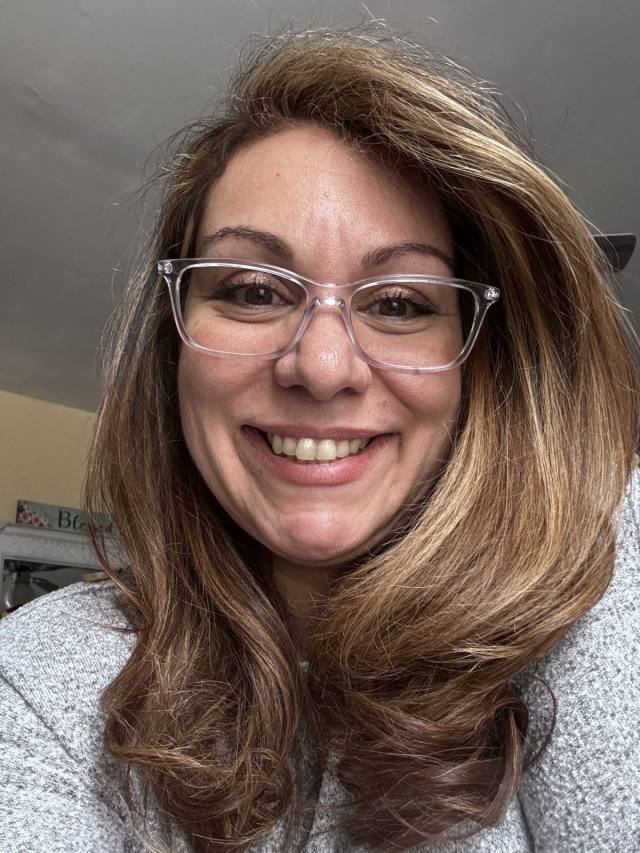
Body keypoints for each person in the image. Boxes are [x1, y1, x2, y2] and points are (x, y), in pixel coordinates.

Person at [0, 26, 638, 853]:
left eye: (400, 302)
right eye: (254, 290)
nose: (324, 366)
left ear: (479, 365)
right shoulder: (41, 678)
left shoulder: (601, 579)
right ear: (172, 342)